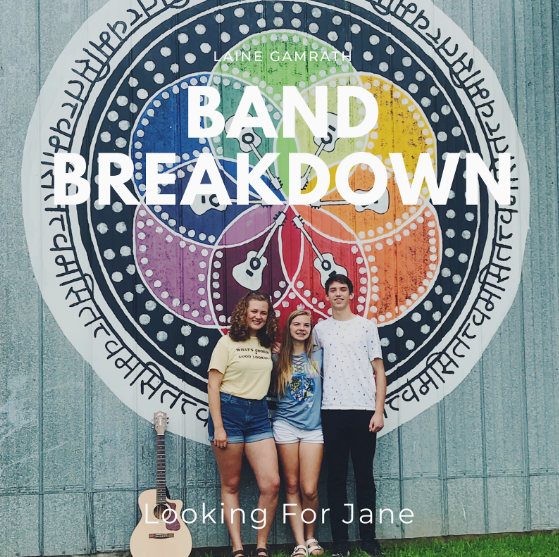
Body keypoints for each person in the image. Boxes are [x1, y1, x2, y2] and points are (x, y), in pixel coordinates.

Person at [313, 274, 387, 557]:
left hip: (363, 412)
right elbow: (310, 365)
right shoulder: (320, 330)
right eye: (333, 290)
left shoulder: (366, 327)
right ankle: (340, 543)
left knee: (365, 479)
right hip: (331, 412)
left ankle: (369, 540)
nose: (338, 294)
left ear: (352, 294)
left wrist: (378, 410)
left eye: (343, 289)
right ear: (327, 296)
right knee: (335, 480)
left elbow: (379, 371)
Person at [207, 292, 281, 557]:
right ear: (243, 312)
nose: (258, 316)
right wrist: (218, 426)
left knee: (271, 484)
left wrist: (278, 354)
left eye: (263, 312)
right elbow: (213, 386)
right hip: (229, 413)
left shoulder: (266, 345)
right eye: (254, 311)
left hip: (259, 415)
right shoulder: (226, 343)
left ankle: (261, 546)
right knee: (232, 485)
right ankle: (237, 547)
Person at [272, 310, 325, 557]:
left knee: (310, 488)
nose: (301, 328)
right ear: (289, 327)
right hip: (285, 426)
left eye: (306, 325)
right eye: (297, 324)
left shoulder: (320, 355)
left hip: (314, 428)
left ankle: (312, 536)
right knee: (291, 484)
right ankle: (300, 543)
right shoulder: (276, 357)